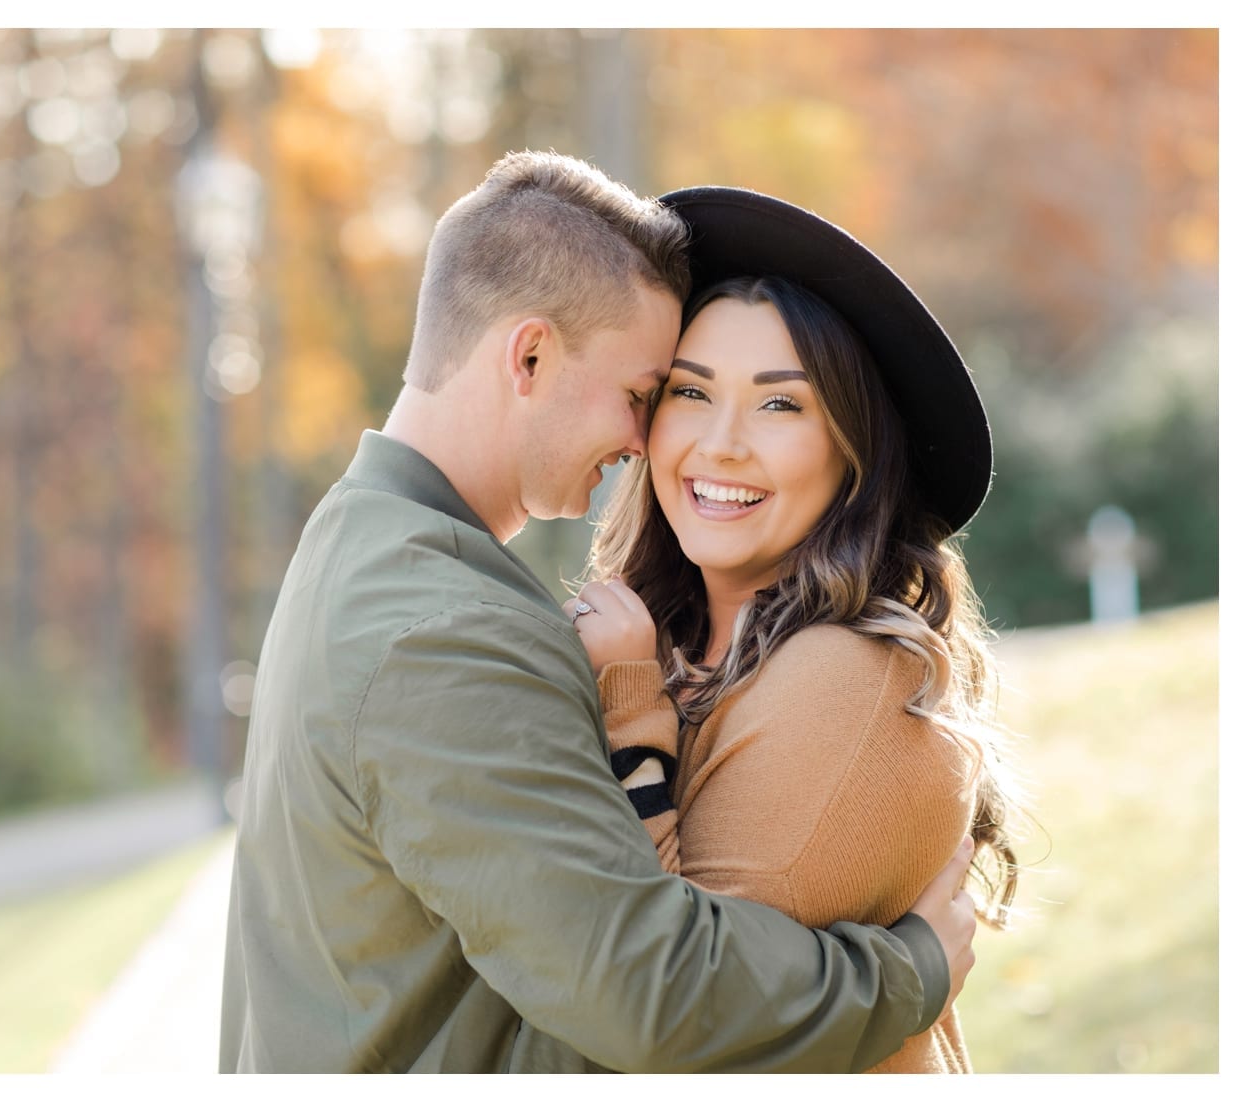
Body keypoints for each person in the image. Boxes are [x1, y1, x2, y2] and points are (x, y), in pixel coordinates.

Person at [218, 153, 979, 1074]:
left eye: (779, 403)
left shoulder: (359, 545)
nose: (642, 440)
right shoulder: (447, 631)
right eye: (656, 394)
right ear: (529, 354)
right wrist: (909, 969)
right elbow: (656, 1007)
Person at [566, 186, 1021, 1073]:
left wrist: (629, 714)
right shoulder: (667, 645)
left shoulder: (852, 681)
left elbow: (673, 1020)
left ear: (854, 452)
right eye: (690, 393)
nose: (721, 444)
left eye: (780, 406)